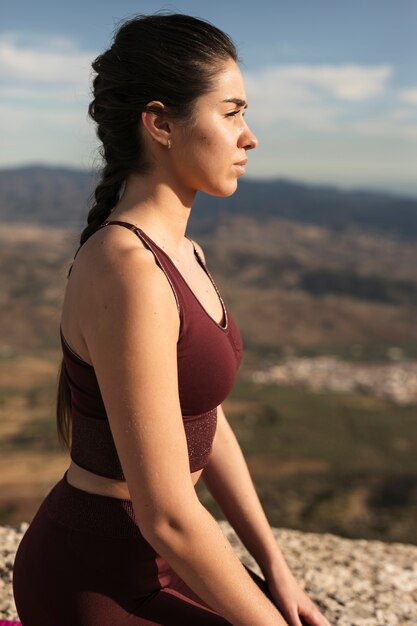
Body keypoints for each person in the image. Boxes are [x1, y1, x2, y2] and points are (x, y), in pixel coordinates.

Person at [12, 13, 333, 626]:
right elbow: (165, 514)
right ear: (160, 124)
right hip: (97, 575)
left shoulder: (185, 255)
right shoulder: (129, 269)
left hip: (163, 559)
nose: (250, 136)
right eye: (232, 111)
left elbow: (202, 421)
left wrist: (276, 569)